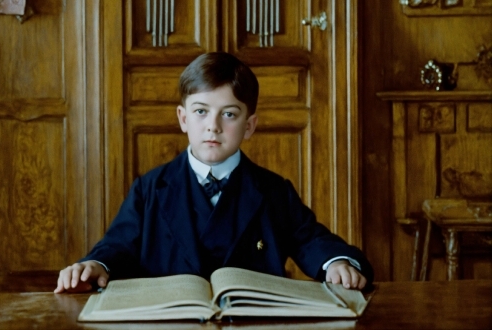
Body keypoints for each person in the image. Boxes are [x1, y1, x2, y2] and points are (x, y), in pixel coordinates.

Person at [55, 52, 373, 294]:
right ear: (183, 119)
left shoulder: (272, 190)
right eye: (201, 111)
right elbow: (119, 244)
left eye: (229, 114)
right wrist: (96, 264)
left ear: (249, 126)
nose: (213, 126)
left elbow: (310, 240)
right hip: (168, 323)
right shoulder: (150, 188)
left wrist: (337, 263)